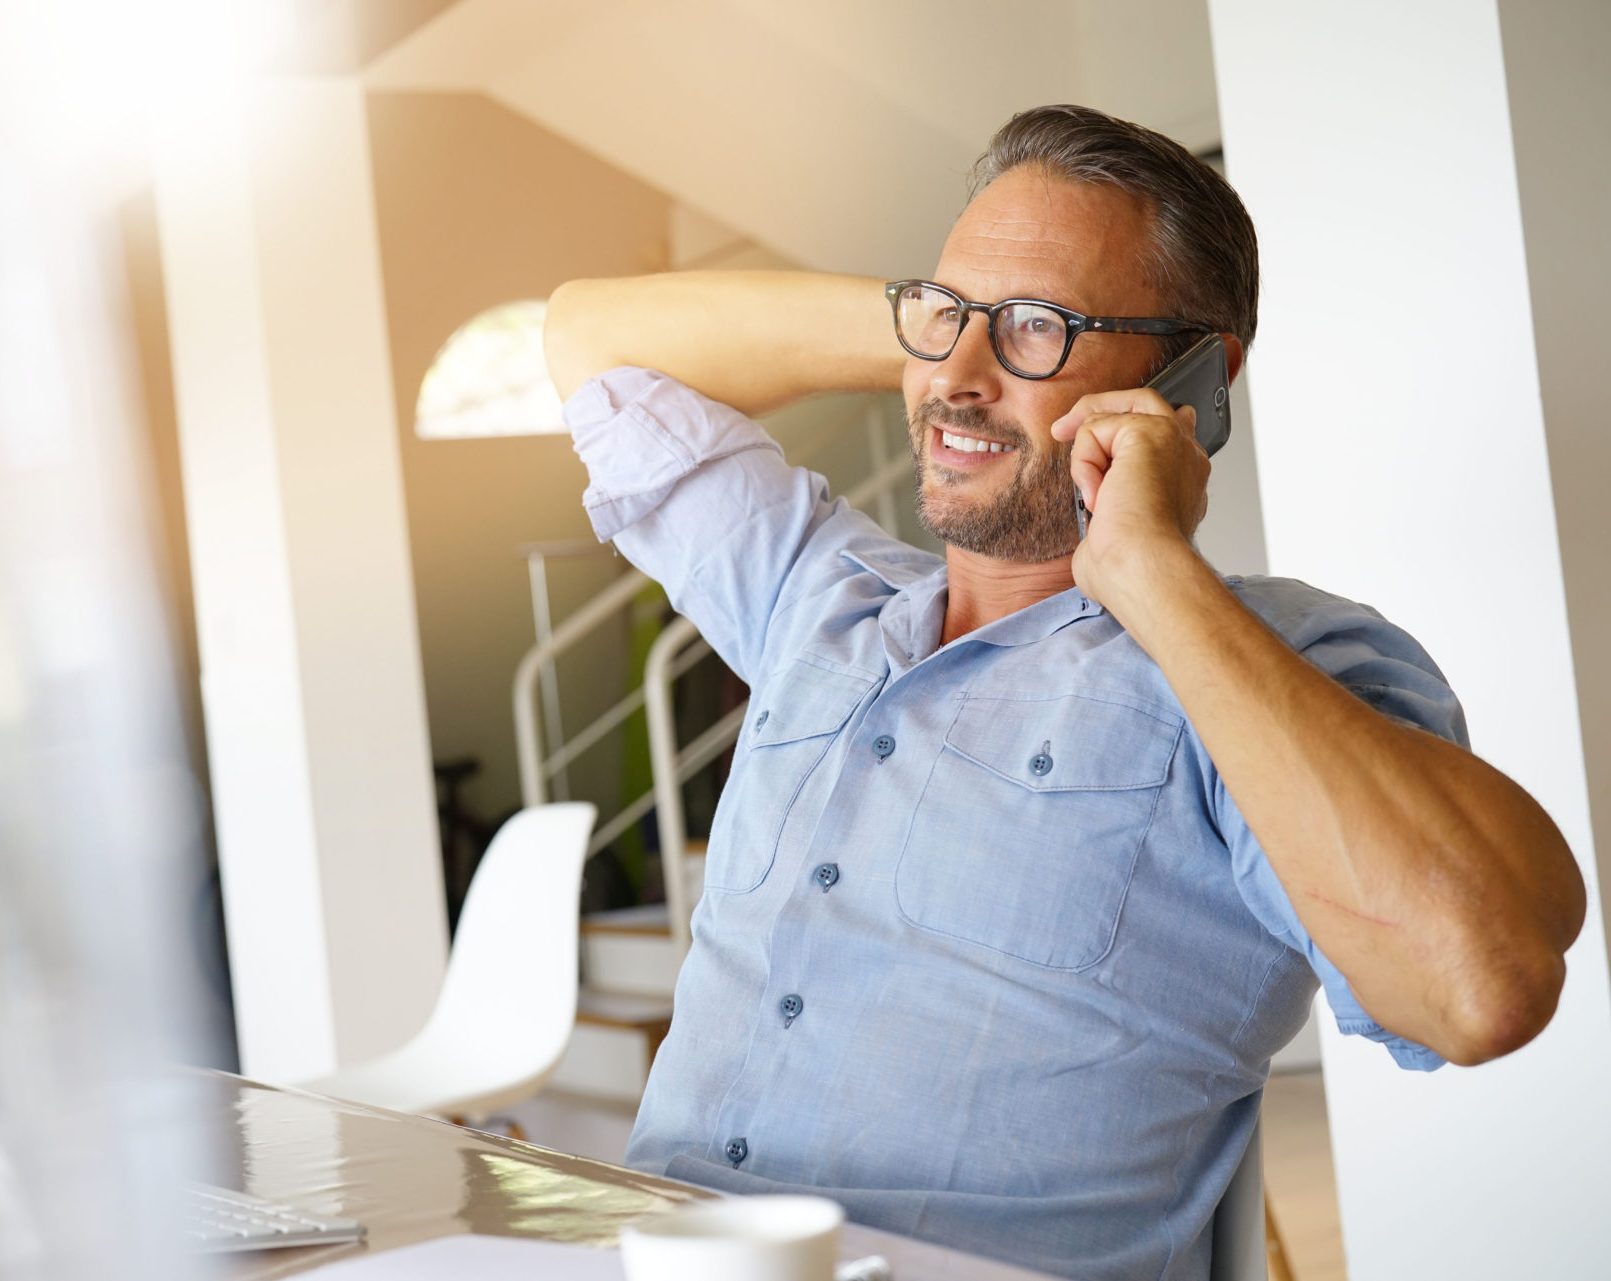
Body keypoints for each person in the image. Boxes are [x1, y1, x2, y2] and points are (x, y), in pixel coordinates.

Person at [542, 105, 1585, 1280]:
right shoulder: (814, 596)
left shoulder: (1285, 661)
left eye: (1042, 327)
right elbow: (592, 343)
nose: (957, 381)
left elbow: (1478, 982)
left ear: (1195, 374)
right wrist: (964, 329)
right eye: (943, 316)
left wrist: (1148, 572)